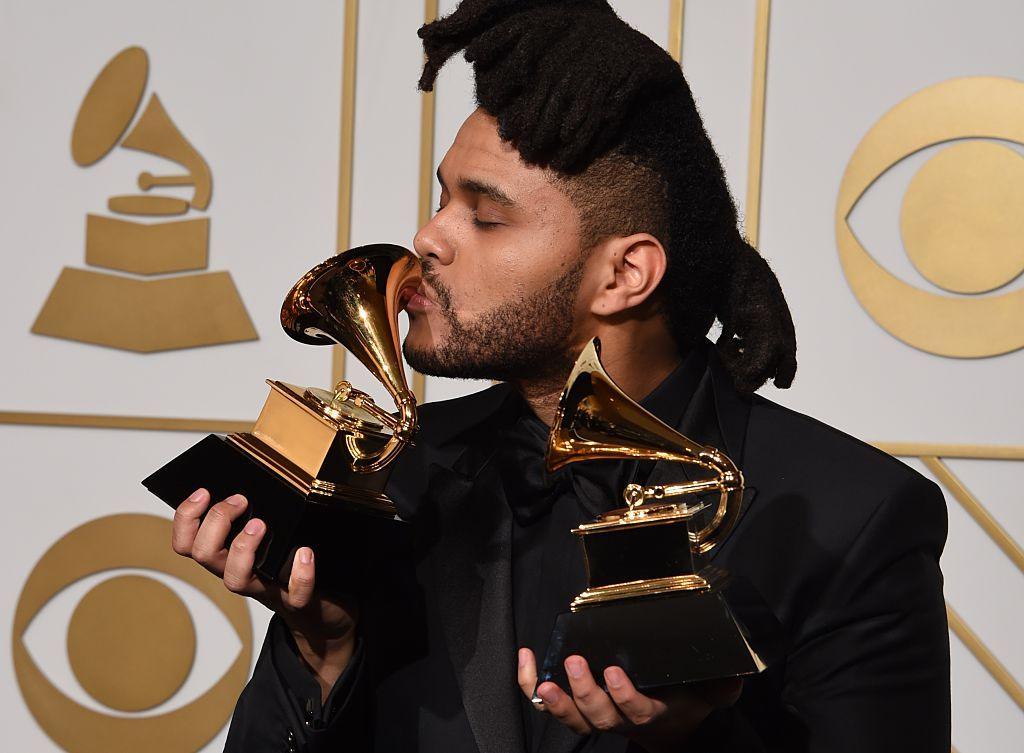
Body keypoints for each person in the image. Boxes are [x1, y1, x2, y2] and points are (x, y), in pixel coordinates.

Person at [170, 1, 950, 751]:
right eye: (444, 196)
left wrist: (690, 737)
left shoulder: (856, 520)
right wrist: (322, 655)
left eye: (485, 215)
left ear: (624, 275)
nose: (428, 237)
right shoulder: (399, 474)